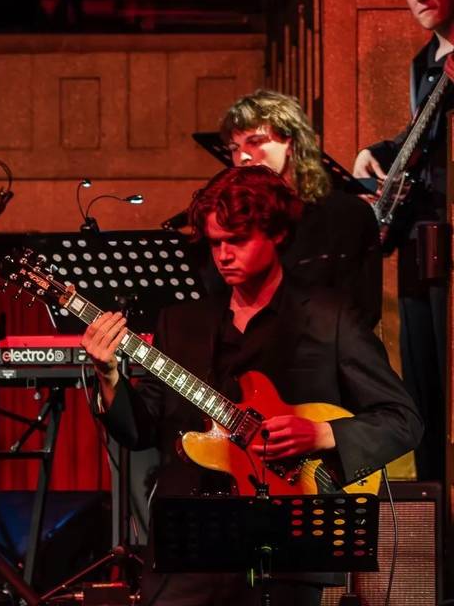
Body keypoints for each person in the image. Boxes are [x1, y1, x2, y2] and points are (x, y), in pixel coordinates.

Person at [82, 166, 422, 606]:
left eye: (237, 241)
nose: (223, 255)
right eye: (215, 242)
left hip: (289, 542)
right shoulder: (181, 322)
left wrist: (322, 433)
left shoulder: (328, 318)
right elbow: (139, 430)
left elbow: (403, 420)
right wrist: (108, 375)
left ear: (277, 233)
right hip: (190, 545)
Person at [351, 0, 452, 482]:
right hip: (419, 242)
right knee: (423, 390)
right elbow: (425, 137)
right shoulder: (425, 62)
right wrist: (378, 151)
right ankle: (439, 524)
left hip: (449, 239)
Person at [219, 89, 382, 328]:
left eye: (254, 142)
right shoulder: (232, 219)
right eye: (234, 147)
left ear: (291, 143)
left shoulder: (346, 214)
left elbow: (361, 311)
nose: (242, 157)